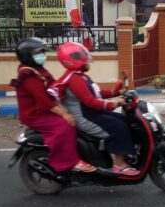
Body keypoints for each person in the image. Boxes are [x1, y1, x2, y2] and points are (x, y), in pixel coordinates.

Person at [51, 42, 140, 176]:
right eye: (82, 56)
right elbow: (90, 101)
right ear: (73, 59)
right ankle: (119, 165)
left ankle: (125, 154)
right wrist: (115, 104)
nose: (86, 59)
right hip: (85, 118)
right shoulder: (74, 78)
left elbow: (97, 93)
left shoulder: (81, 75)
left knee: (124, 119)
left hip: (92, 113)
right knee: (118, 126)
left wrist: (118, 92)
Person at [9, 37, 96, 173]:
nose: (43, 55)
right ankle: (71, 162)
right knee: (66, 125)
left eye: (43, 52)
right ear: (27, 56)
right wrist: (64, 114)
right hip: (36, 115)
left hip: (44, 110)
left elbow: (54, 85)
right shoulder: (28, 76)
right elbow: (44, 100)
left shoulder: (38, 70)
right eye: (38, 53)